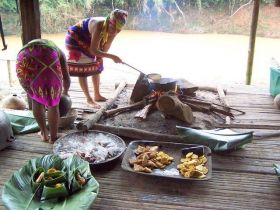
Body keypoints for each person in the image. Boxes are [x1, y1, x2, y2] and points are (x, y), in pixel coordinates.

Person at [65, 9, 128, 108]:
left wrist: (101, 56)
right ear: (109, 22)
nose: (114, 31)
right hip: (76, 38)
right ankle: (88, 99)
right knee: (83, 68)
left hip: (90, 39)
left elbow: (105, 47)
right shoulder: (99, 25)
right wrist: (113, 57)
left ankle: (97, 95)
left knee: (98, 64)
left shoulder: (116, 30)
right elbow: (93, 51)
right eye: (113, 28)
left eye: (117, 29)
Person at [16, 39, 71, 143]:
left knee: (36, 98)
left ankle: (44, 133)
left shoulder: (49, 46)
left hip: (23, 58)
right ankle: (53, 137)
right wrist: (65, 92)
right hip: (48, 56)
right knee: (53, 101)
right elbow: (66, 77)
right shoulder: (59, 52)